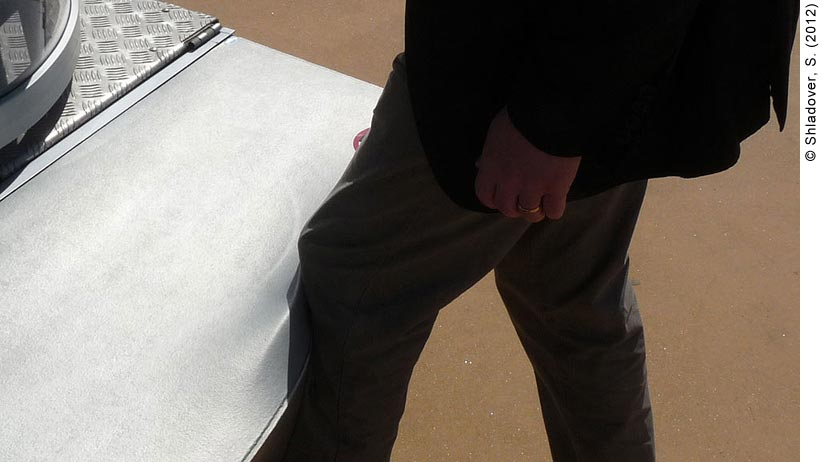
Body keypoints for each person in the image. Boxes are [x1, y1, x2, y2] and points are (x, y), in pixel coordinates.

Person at [283, 1, 798, 461]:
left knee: (356, 285)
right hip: (600, 69)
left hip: (520, 76)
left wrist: (552, 121)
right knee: (572, 300)